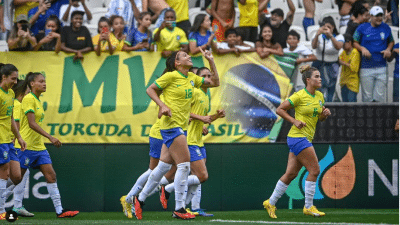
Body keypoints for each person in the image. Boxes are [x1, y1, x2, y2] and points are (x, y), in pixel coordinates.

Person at [133, 48, 220, 220]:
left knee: (164, 167)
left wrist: (210, 60)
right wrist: (162, 105)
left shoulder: (191, 78)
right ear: (177, 63)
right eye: (184, 56)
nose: (189, 56)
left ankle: (140, 199)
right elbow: (150, 89)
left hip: (181, 126)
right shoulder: (171, 76)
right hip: (172, 125)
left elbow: (215, 83)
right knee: (184, 165)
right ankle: (179, 208)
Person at [263, 64, 331, 219]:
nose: (320, 79)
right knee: (314, 170)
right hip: (297, 137)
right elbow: (280, 109)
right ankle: (308, 207)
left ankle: (270, 202)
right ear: (308, 80)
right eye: (317, 76)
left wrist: (324, 115)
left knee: (291, 173)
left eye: (320, 76)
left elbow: (319, 117)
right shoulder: (299, 95)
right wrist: (294, 121)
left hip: (305, 137)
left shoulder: (320, 96)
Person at [160, 67, 226, 217]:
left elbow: (204, 119)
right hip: (189, 140)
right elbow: (184, 112)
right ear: (198, 78)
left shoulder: (205, 94)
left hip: (198, 141)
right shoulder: (194, 92)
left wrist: (215, 116)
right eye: (204, 76)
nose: (208, 78)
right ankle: (167, 189)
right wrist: (200, 119)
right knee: (202, 176)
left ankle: (193, 207)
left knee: (197, 178)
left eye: (209, 75)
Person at [18, 72, 79, 218]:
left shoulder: (38, 100)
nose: (44, 84)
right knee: (15, 179)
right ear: (32, 84)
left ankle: (59, 211)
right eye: (41, 81)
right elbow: (31, 124)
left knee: (51, 176)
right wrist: (50, 137)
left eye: (44, 81)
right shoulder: (28, 99)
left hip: (39, 147)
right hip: (26, 146)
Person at [120, 102, 177, 219]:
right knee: (153, 170)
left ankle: (135, 199)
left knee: (177, 168)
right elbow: (161, 114)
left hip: (172, 135)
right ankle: (129, 199)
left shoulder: (188, 96)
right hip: (160, 135)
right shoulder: (171, 96)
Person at [0, 64, 27, 220]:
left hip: (9, 140)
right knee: (3, 174)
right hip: (0, 139)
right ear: (4, 77)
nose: (16, 82)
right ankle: (1, 211)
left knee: (16, 176)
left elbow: (10, 118)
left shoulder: (10, 93)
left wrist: (19, 137)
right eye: (13, 78)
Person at [3, 78, 33, 217]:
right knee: (13, 174)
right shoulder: (15, 104)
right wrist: (16, 140)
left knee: (19, 174)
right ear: (21, 93)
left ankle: (16, 204)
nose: (29, 96)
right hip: (8, 144)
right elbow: (13, 123)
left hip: (11, 143)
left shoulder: (15, 103)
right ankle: (15, 205)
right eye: (27, 92)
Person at [353, 6, 394, 102]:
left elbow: (391, 41)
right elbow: (354, 42)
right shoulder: (362, 27)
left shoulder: (386, 27)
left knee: (380, 97)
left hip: (382, 67)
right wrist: (362, 48)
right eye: (376, 16)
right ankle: (367, 117)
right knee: (367, 98)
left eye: (380, 15)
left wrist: (388, 49)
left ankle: (379, 117)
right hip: (366, 68)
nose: (379, 18)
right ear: (371, 16)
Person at [311, 16, 344, 102]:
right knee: (318, 88)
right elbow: (314, 46)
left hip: (332, 66)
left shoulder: (339, 36)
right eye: (325, 27)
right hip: (318, 64)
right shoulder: (318, 36)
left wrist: (331, 36)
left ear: (333, 27)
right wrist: (318, 34)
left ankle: (329, 107)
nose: (327, 29)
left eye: (329, 27)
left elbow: (338, 47)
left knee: (330, 88)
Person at [339, 34, 360, 102]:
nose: (342, 45)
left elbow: (354, 68)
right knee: (344, 106)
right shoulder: (343, 52)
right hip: (343, 82)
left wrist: (344, 63)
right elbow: (339, 60)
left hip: (352, 84)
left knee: (352, 106)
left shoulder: (355, 53)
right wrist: (347, 63)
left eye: (343, 43)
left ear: (349, 43)